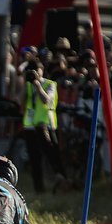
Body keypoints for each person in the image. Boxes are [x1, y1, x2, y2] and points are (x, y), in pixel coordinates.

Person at [21, 62, 68, 193]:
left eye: (36, 69)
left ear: (41, 70)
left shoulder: (50, 84)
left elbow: (46, 100)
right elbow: (22, 103)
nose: (33, 72)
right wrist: (25, 87)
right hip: (30, 125)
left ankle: (62, 180)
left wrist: (37, 85)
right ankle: (39, 188)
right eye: (30, 70)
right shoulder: (28, 85)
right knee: (34, 158)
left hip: (46, 125)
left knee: (53, 154)